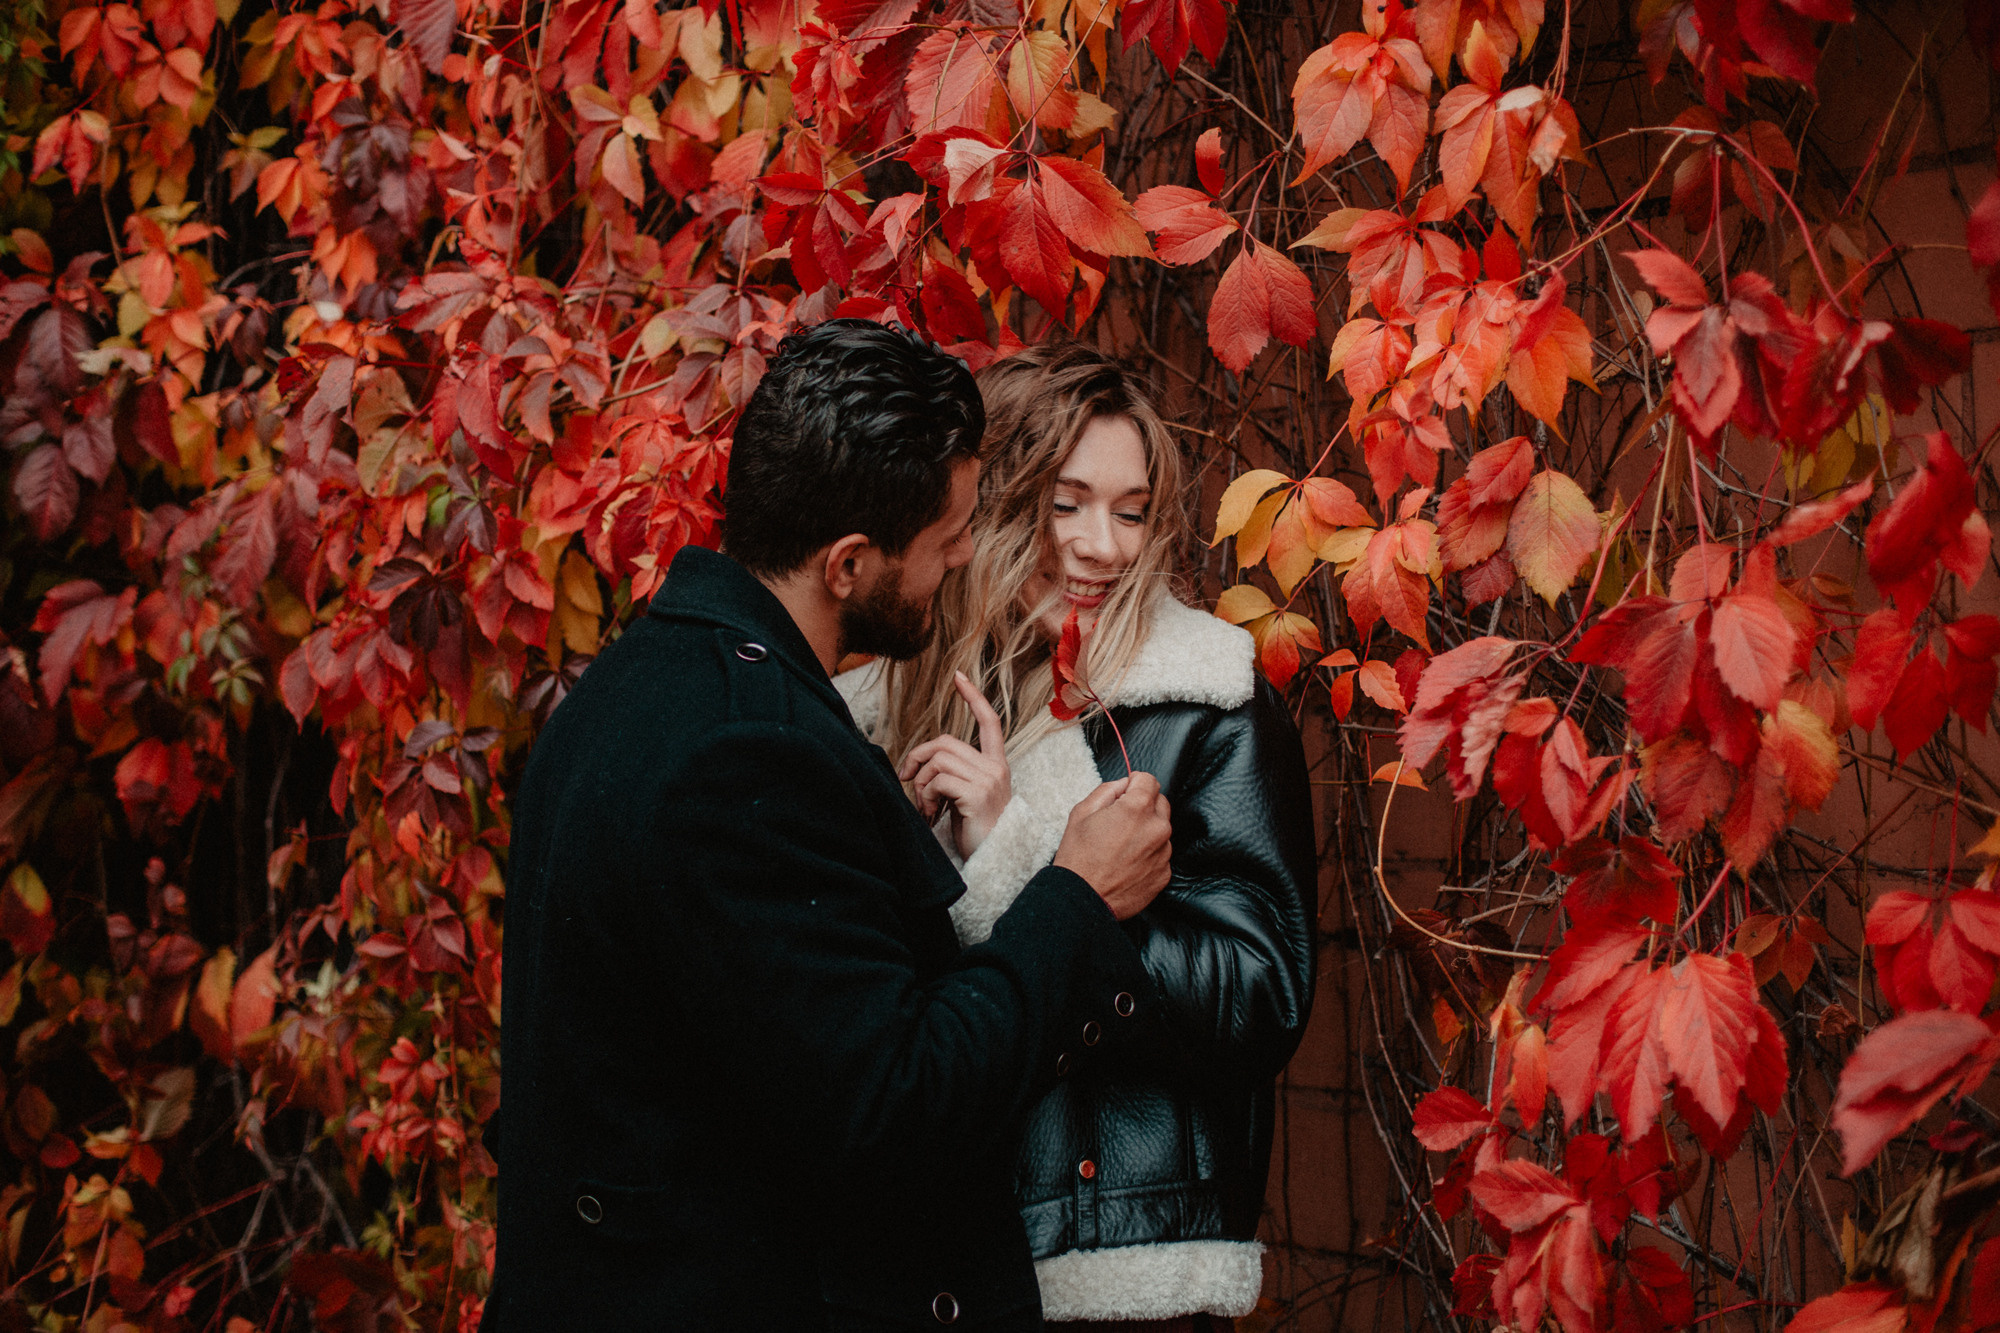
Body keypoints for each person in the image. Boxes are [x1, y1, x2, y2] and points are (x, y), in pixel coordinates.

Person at [484, 319, 1180, 1331]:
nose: (958, 564)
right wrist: (1074, 894)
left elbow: (748, 1022)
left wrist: (873, 856)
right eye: (944, 543)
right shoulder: (749, 751)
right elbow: (894, 1104)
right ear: (848, 562)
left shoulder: (638, 687)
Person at [838, 343, 1317, 1331]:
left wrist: (1021, 859)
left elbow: (1258, 998)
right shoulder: (877, 707)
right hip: (920, 1274)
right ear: (987, 507)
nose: (1103, 545)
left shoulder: (1206, 704)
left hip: (1117, 1272)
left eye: (1131, 509)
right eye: (1066, 503)